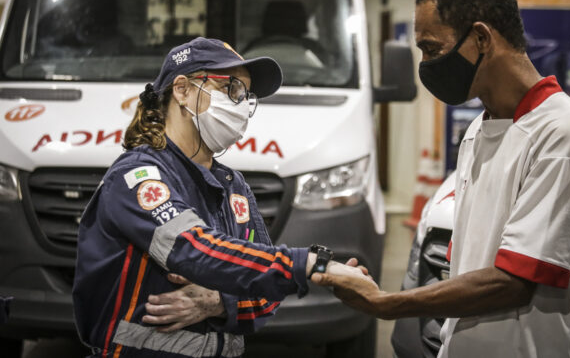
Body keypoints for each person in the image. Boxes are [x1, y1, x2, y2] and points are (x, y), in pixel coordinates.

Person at [311, 0, 570, 357]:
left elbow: (512, 281)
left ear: (480, 38)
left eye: (432, 49)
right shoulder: (479, 131)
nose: (426, 66)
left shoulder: (566, 133)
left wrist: (388, 303)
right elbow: (470, 266)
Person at [72, 37, 370, 358]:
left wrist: (219, 302)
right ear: (183, 90)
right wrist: (310, 265)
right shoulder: (138, 176)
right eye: (232, 90)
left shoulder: (234, 187)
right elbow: (194, 248)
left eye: (246, 95)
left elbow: (266, 294)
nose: (241, 105)